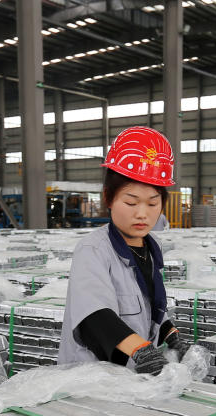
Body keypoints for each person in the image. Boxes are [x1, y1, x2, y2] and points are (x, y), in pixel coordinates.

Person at [59, 127, 186, 374]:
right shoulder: (93, 250)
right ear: (108, 198)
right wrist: (142, 350)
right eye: (130, 202)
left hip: (130, 374)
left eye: (152, 203)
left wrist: (170, 333)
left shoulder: (151, 246)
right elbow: (95, 318)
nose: (142, 213)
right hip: (92, 377)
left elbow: (149, 304)